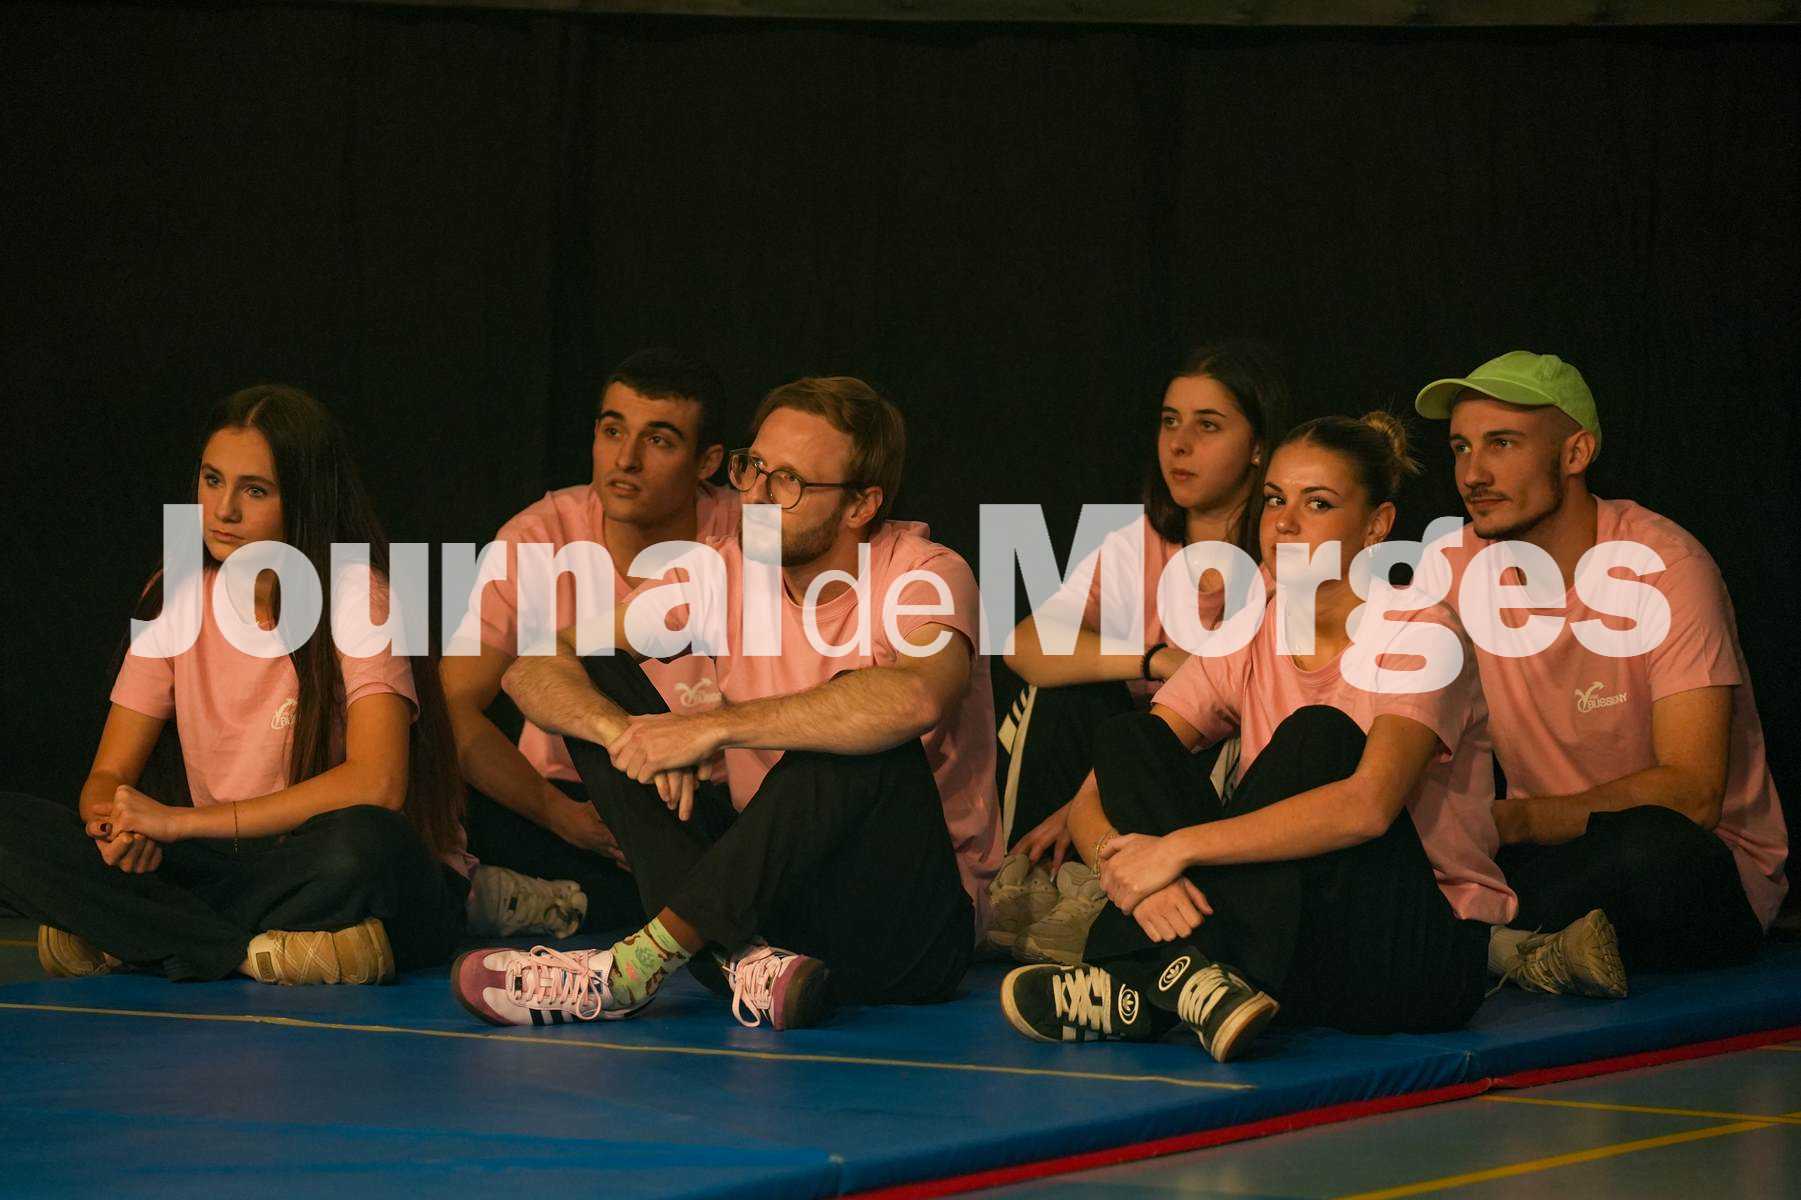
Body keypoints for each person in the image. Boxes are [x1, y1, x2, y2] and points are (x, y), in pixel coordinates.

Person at [998, 412, 1605, 1064]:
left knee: (1320, 737)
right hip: (1292, 943)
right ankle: (1191, 976)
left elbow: (1367, 807)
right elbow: (1097, 794)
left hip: (1408, 950)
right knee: (1129, 737)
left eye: (1317, 504)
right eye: (1273, 500)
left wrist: (1173, 851)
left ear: (1376, 525)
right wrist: (1131, 876)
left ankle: (1138, 979)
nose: (1284, 523)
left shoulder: (1424, 632)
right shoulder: (1253, 625)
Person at [451, 376, 1002, 1030]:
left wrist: (709, 730)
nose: (756, 498)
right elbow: (536, 665)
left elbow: (917, 695)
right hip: (768, 896)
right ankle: (743, 961)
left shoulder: (926, 574)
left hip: (904, 922)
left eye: (788, 482)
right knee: (593, 675)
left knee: (857, 724)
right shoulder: (725, 567)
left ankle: (632, 969)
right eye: (753, 469)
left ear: (860, 504)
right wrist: (626, 733)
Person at [0, 385, 466, 984]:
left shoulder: (359, 596)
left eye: (255, 490)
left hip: (325, 863)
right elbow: (108, 775)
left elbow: (378, 783)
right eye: (212, 480)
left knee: (364, 847)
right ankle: (249, 952)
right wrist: (115, 824)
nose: (223, 511)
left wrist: (179, 823)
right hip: (232, 864)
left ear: (304, 499)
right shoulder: (176, 594)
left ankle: (133, 933)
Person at [1413, 350, 1786, 977]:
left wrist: (1511, 821)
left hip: (1695, 861)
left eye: (1501, 443)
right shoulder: (1450, 563)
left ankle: (1482, 943)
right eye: (1460, 448)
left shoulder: (1665, 564)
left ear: (1576, 453)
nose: (1472, 473)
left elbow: (1692, 794)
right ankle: (1515, 947)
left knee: (1652, 850)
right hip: (1550, 855)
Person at [992, 343, 1293, 964]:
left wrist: (1081, 807)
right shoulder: (1141, 541)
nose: (1179, 444)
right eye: (1169, 421)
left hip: (1192, 776)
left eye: (1208, 426)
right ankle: (1034, 880)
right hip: (1120, 761)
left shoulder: (1280, 547)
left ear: (1259, 447)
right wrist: (1152, 658)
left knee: (1217, 728)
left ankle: (1101, 897)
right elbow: (1023, 643)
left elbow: (1232, 710)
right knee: (1058, 690)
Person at [443, 348, 741, 937]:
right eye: (612, 431)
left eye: (659, 440)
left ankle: (560, 905)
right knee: (428, 806)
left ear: (707, 462)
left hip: (703, 804)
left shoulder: (748, 538)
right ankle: (599, 903)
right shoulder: (537, 536)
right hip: (570, 802)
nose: (626, 459)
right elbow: (453, 706)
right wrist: (560, 815)